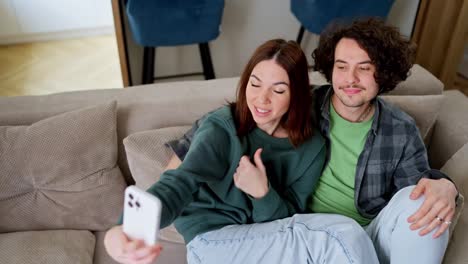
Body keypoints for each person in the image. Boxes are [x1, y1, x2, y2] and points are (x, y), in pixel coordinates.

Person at [166, 18, 460, 264]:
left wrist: (445, 186)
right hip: (306, 239)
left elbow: (420, 186)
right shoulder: (298, 104)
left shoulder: (399, 130)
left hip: (366, 235)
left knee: (424, 204)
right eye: (342, 66)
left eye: (364, 68)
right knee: (340, 234)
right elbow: (225, 126)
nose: (350, 78)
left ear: (383, 72)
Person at [104, 39, 378, 264]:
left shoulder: (312, 148)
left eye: (278, 90)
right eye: (255, 84)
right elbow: (179, 182)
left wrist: (262, 193)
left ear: (296, 96)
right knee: (342, 234)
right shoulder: (223, 128)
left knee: (343, 239)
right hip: (212, 243)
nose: (261, 99)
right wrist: (124, 228)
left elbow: (289, 218)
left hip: (266, 241)